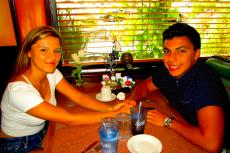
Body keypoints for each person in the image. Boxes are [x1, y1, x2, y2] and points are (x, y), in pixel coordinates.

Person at [0, 26, 133, 153]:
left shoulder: (51, 73)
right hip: (15, 145)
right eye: (44, 50)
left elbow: (78, 97)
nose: (52, 56)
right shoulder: (19, 91)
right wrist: (115, 115)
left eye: (56, 51)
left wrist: (111, 109)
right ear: (28, 52)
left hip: (40, 134)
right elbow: (70, 119)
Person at [128, 23, 230, 153]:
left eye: (181, 51)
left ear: (196, 54)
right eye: (167, 52)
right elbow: (145, 86)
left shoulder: (204, 83)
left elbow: (212, 144)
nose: (171, 59)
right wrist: (134, 100)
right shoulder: (170, 71)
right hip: (184, 128)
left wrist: (167, 121)